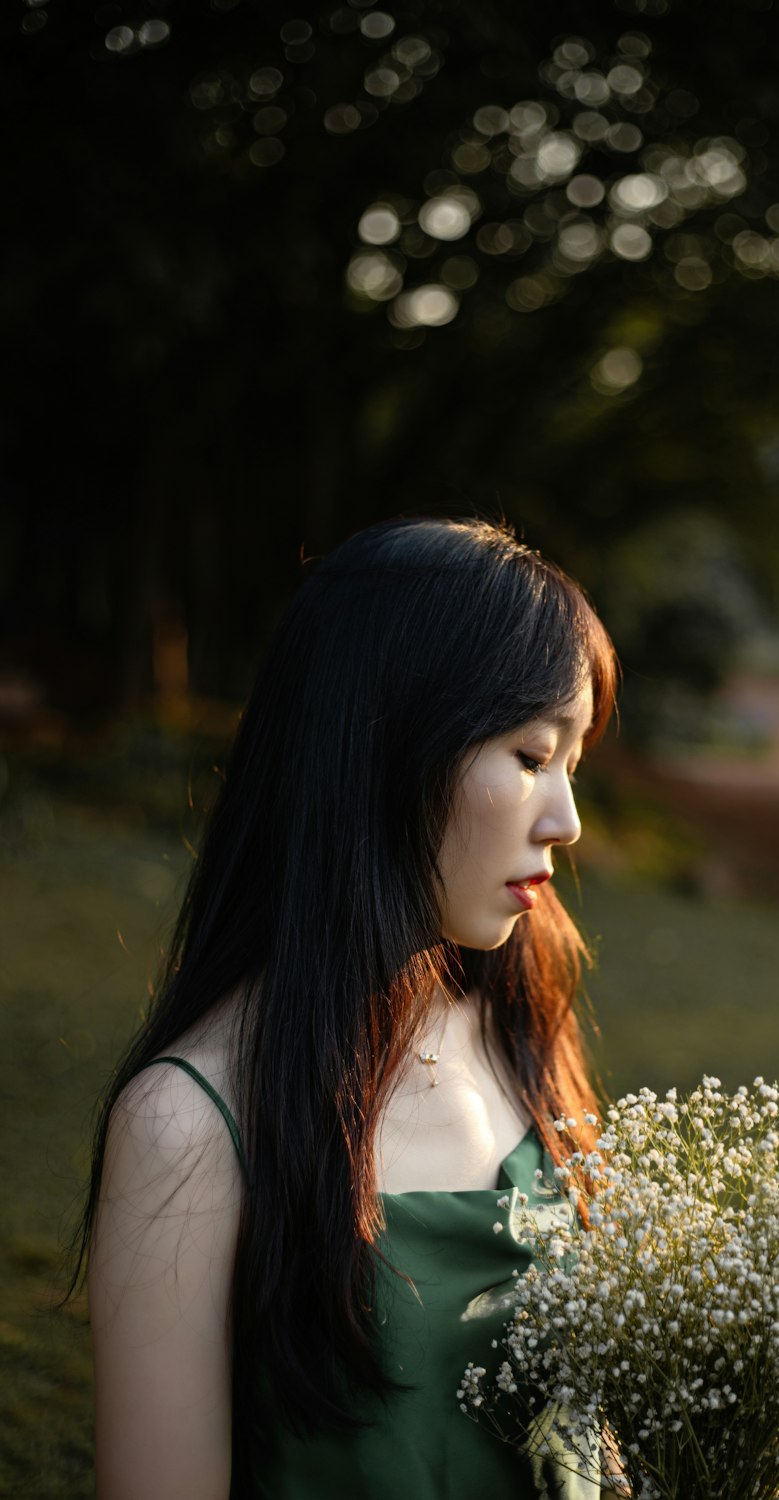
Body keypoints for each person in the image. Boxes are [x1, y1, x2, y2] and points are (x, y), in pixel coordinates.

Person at [75, 516, 622, 1500]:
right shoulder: (188, 1126)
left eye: (571, 764)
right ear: (386, 747)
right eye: (532, 756)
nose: (566, 821)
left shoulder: (518, 1026)